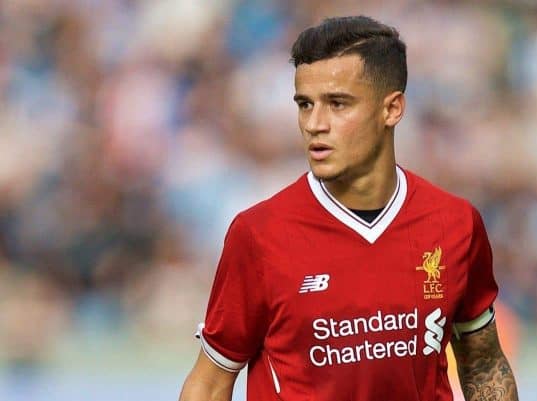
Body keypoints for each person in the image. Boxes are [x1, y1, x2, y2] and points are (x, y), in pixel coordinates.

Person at [179, 16, 519, 401]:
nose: (314, 124)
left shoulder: (455, 224)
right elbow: (209, 383)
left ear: (392, 109)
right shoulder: (259, 234)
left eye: (337, 104)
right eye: (305, 105)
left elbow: (484, 363)